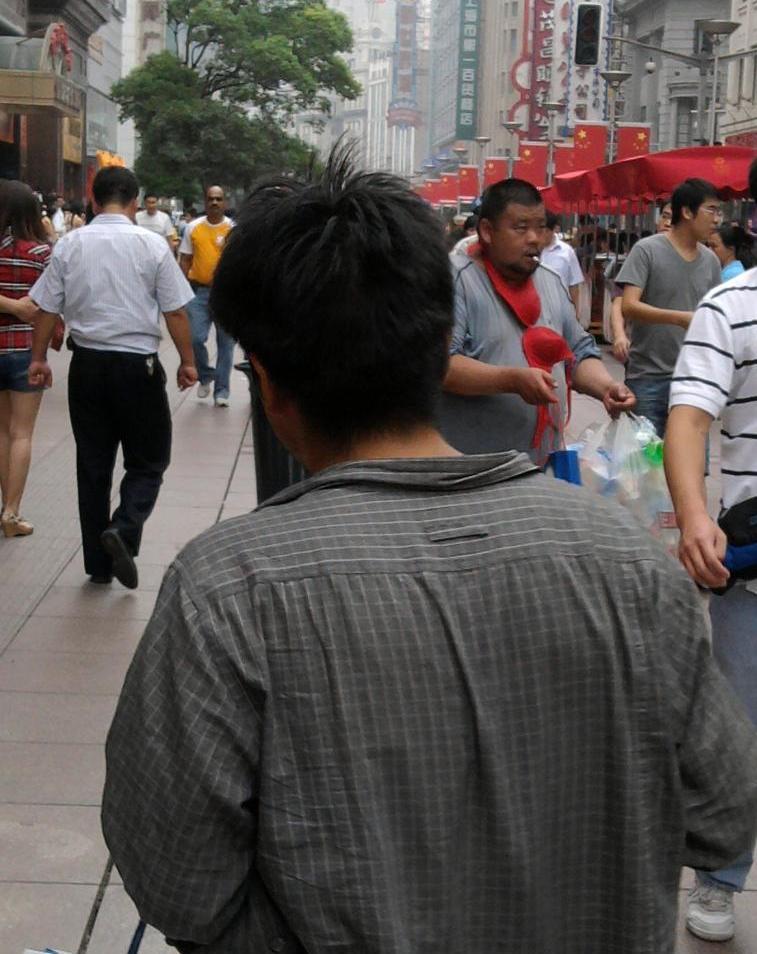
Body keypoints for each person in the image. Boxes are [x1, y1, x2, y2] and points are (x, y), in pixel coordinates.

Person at [101, 148, 757, 954]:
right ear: (440, 340)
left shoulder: (228, 588)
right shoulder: (624, 559)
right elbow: (722, 812)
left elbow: (177, 879)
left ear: (266, 382)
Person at [665, 158, 757, 945]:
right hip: (752, 569)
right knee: (737, 733)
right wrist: (694, 515)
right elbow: (690, 416)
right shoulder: (729, 307)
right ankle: (721, 877)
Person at [26, 166, 198, 589]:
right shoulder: (152, 245)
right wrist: (187, 361)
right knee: (149, 460)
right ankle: (123, 527)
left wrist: (38, 359)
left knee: (92, 464)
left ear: (94, 200)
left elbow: (46, 307)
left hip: (87, 366)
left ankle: (98, 566)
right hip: (137, 367)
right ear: (135, 202)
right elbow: (176, 310)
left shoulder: (70, 245)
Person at [438, 178, 634, 463]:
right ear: (488, 231)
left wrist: (607, 388)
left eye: (540, 227)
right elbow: (440, 365)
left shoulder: (551, 282)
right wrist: (512, 380)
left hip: (540, 463)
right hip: (474, 467)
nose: (534, 238)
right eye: (520, 228)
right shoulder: (456, 280)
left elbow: (578, 352)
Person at [616, 179, 722, 437]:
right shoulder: (647, 250)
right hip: (648, 377)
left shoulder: (710, 261)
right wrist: (679, 318)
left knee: (692, 458)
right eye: (711, 210)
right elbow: (629, 305)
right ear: (686, 212)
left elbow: (714, 314)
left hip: (693, 379)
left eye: (719, 212)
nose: (717, 219)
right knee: (644, 457)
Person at [0, 181, 51, 537]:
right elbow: (52, 301)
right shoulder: (42, 253)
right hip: (25, 350)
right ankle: (12, 513)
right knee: (22, 434)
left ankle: (5, 506)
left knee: (2, 432)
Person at [179, 185, 235, 407]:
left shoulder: (233, 229)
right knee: (194, 338)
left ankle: (222, 392)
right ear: (205, 201)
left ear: (224, 202)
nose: (214, 202)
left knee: (226, 345)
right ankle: (205, 375)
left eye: (218, 199)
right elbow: (185, 260)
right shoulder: (193, 227)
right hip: (199, 293)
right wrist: (181, 289)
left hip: (225, 294)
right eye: (211, 199)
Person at [611, 201, 673, 365]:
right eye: (664, 216)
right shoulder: (643, 252)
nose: (667, 223)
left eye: (673, 219)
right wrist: (619, 335)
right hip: (643, 356)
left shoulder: (704, 258)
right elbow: (619, 302)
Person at [540, 210, 584, 313]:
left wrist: (575, 312)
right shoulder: (531, 250)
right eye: (540, 231)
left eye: (546, 231)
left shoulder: (566, 252)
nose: (542, 235)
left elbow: (574, 284)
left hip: (560, 309)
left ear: (553, 230)